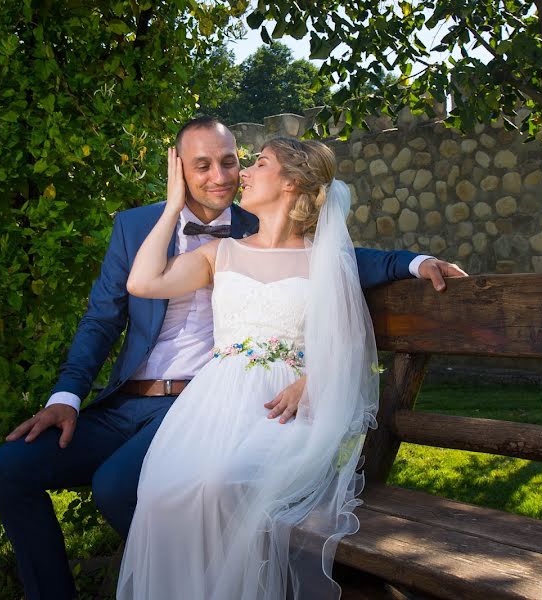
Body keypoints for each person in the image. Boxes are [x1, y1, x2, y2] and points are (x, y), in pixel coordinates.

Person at [0, 117, 466, 600]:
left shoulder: (257, 226)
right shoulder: (140, 227)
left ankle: (209, 582)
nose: (222, 176)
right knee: (9, 469)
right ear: (177, 168)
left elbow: (346, 259)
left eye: (233, 162)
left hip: (207, 402)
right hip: (129, 402)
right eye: (203, 165)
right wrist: (65, 396)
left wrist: (414, 261)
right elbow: (103, 317)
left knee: (119, 488)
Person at [118, 136, 382, 599]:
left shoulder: (324, 261)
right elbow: (142, 282)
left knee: (225, 484)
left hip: (282, 407)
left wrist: (314, 380)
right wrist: (172, 204)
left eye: (259, 163)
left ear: (292, 182)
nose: (243, 173)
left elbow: (349, 344)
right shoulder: (220, 253)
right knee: (164, 493)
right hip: (213, 404)